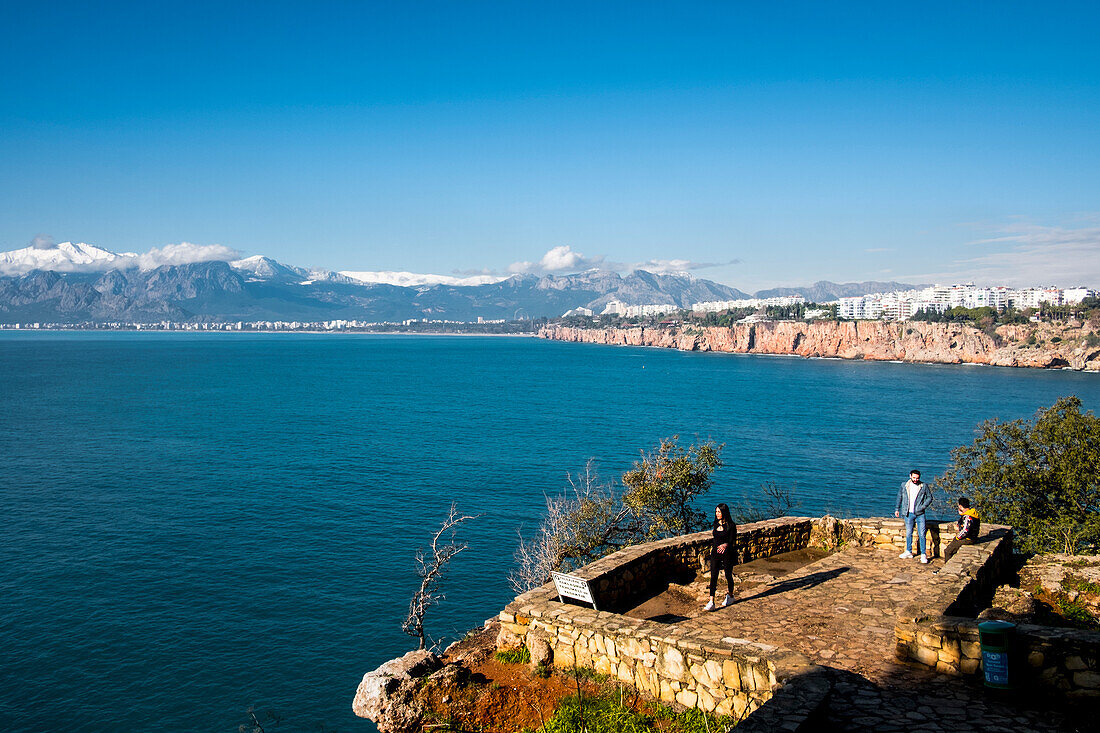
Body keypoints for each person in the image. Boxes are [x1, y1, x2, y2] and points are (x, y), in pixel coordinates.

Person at [895, 469, 933, 564]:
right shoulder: (904, 485)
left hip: (920, 514)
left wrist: (923, 506)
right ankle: (908, 551)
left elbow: (929, 497)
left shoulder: (923, 486)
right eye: (914, 477)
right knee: (908, 533)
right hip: (908, 513)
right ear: (910, 476)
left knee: (922, 534)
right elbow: (899, 497)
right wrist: (897, 509)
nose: (915, 479)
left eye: (917, 478)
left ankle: (923, 554)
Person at [704, 503, 737, 611]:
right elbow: (715, 539)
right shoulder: (715, 524)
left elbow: (733, 541)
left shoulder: (731, 526)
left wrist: (726, 544)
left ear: (724, 512)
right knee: (713, 576)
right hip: (715, 554)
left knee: (728, 575)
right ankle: (711, 601)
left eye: (719, 511)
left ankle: (730, 596)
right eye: (716, 511)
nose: (717, 514)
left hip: (727, 553)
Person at [944, 497, 981, 562]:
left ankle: (947, 567)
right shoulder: (973, 513)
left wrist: (958, 538)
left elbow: (965, 530)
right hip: (973, 537)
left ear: (960, 506)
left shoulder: (967, 517)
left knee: (948, 551)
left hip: (968, 539)